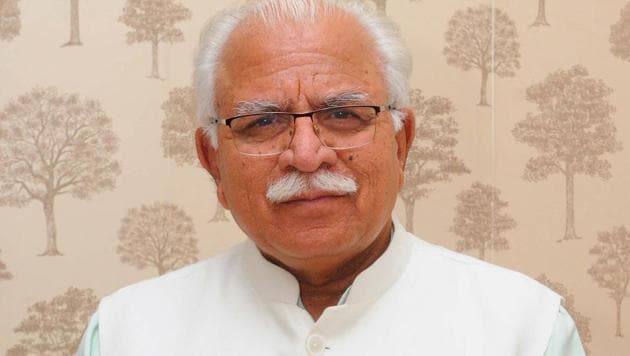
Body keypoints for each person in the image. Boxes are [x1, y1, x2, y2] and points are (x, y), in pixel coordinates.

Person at [77, 0, 586, 355]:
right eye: (263, 122)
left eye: (342, 114)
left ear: (400, 143)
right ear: (213, 162)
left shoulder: (524, 330)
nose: (306, 155)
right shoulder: (128, 334)